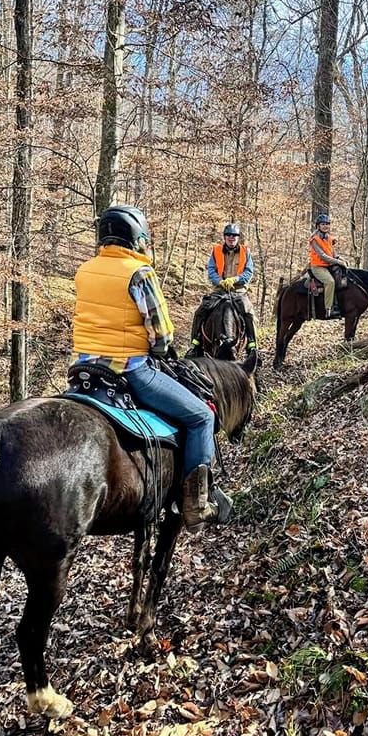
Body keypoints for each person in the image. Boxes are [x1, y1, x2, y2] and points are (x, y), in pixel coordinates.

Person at [72, 205, 227, 530]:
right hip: (130, 370)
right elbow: (162, 332)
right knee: (202, 416)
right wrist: (158, 348)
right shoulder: (139, 273)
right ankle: (196, 504)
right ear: (136, 238)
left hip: (84, 371)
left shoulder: (85, 270)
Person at [186, 223, 258, 357]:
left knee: (249, 313)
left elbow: (249, 272)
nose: (232, 238)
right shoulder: (216, 251)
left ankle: (252, 346)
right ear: (224, 237)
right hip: (220, 290)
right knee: (201, 311)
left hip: (238, 291)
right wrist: (220, 281)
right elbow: (211, 271)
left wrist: (235, 280)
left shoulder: (245, 252)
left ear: (238, 237)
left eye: (235, 235)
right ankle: (195, 345)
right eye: (229, 235)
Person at [308, 213, 347, 317]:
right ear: (318, 226)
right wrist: (337, 262)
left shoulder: (329, 238)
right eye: (323, 224)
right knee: (330, 282)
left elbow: (333, 254)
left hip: (328, 265)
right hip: (318, 267)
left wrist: (341, 259)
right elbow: (322, 256)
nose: (326, 226)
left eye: (327, 224)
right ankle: (328, 309)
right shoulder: (314, 239)